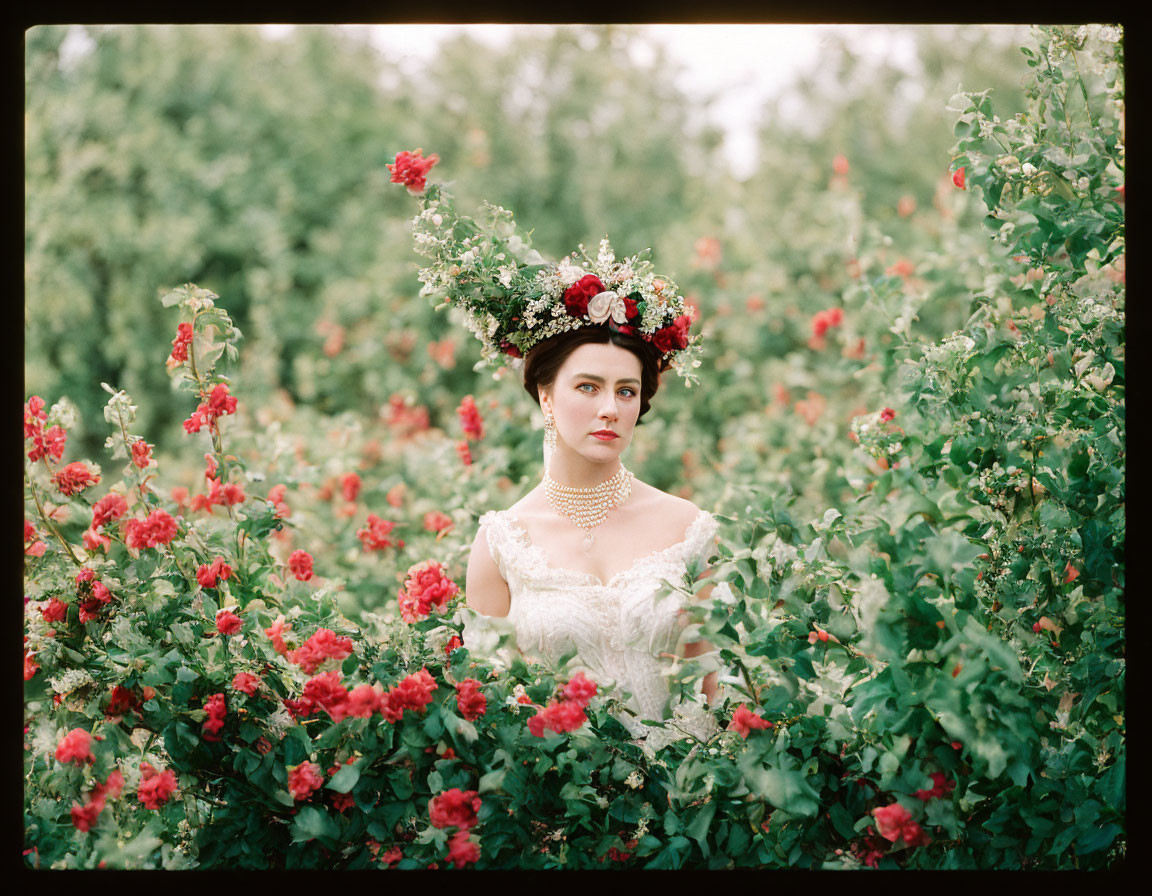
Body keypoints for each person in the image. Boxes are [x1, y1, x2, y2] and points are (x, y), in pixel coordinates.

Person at [390, 149, 720, 747]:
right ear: (545, 395)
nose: (609, 408)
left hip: (688, 806)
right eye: (587, 387)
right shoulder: (502, 543)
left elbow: (721, 689)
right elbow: (485, 715)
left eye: (627, 391)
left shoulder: (687, 528)